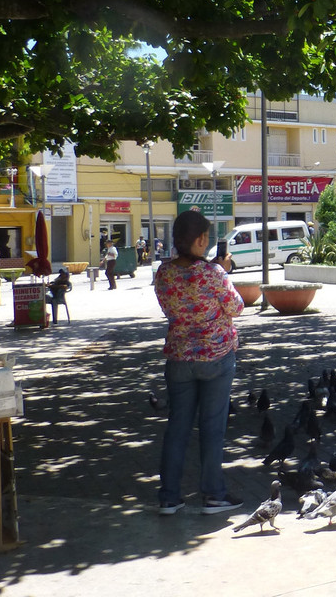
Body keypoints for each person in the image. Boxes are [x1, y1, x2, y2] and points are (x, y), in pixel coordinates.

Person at [153, 209, 244, 516]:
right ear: (201, 239)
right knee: (212, 427)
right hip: (216, 358)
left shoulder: (163, 273)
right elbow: (237, 306)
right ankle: (213, 495)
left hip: (179, 357)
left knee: (177, 427)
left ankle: (169, 497)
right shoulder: (212, 273)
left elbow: (168, 308)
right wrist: (223, 271)